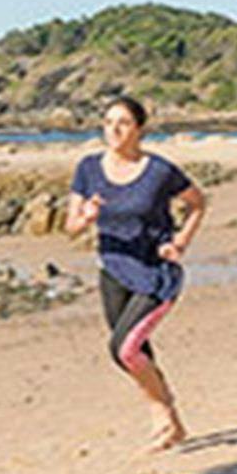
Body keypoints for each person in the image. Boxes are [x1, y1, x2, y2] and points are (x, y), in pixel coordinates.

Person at [65, 95, 207, 451]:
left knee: (123, 349)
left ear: (140, 129)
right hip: (113, 270)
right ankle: (170, 422)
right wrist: (85, 219)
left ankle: (162, 407)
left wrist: (181, 242)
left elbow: (197, 203)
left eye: (123, 122)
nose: (114, 129)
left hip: (156, 274)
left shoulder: (159, 171)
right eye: (108, 121)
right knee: (136, 349)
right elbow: (71, 226)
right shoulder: (88, 169)